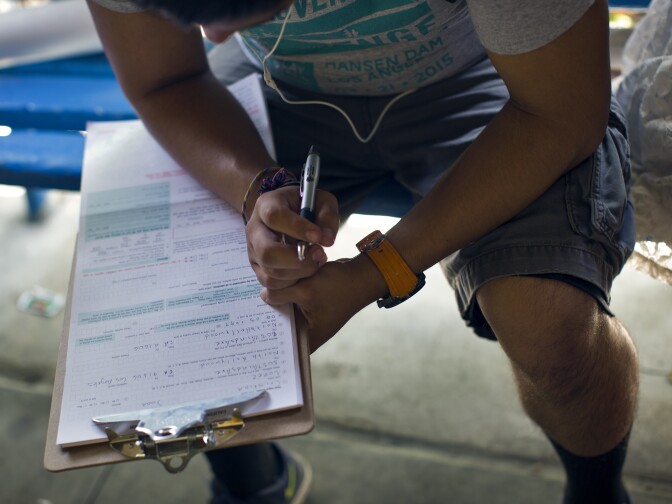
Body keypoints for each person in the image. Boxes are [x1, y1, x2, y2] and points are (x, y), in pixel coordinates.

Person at [86, 1, 639, 503]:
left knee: (547, 320)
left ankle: (598, 495)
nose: (214, 31)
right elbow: (166, 80)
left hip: (495, 77)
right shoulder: (220, 23)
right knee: (211, 296)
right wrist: (257, 189)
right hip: (276, 81)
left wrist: (378, 271)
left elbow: (560, 114)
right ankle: (252, 485)